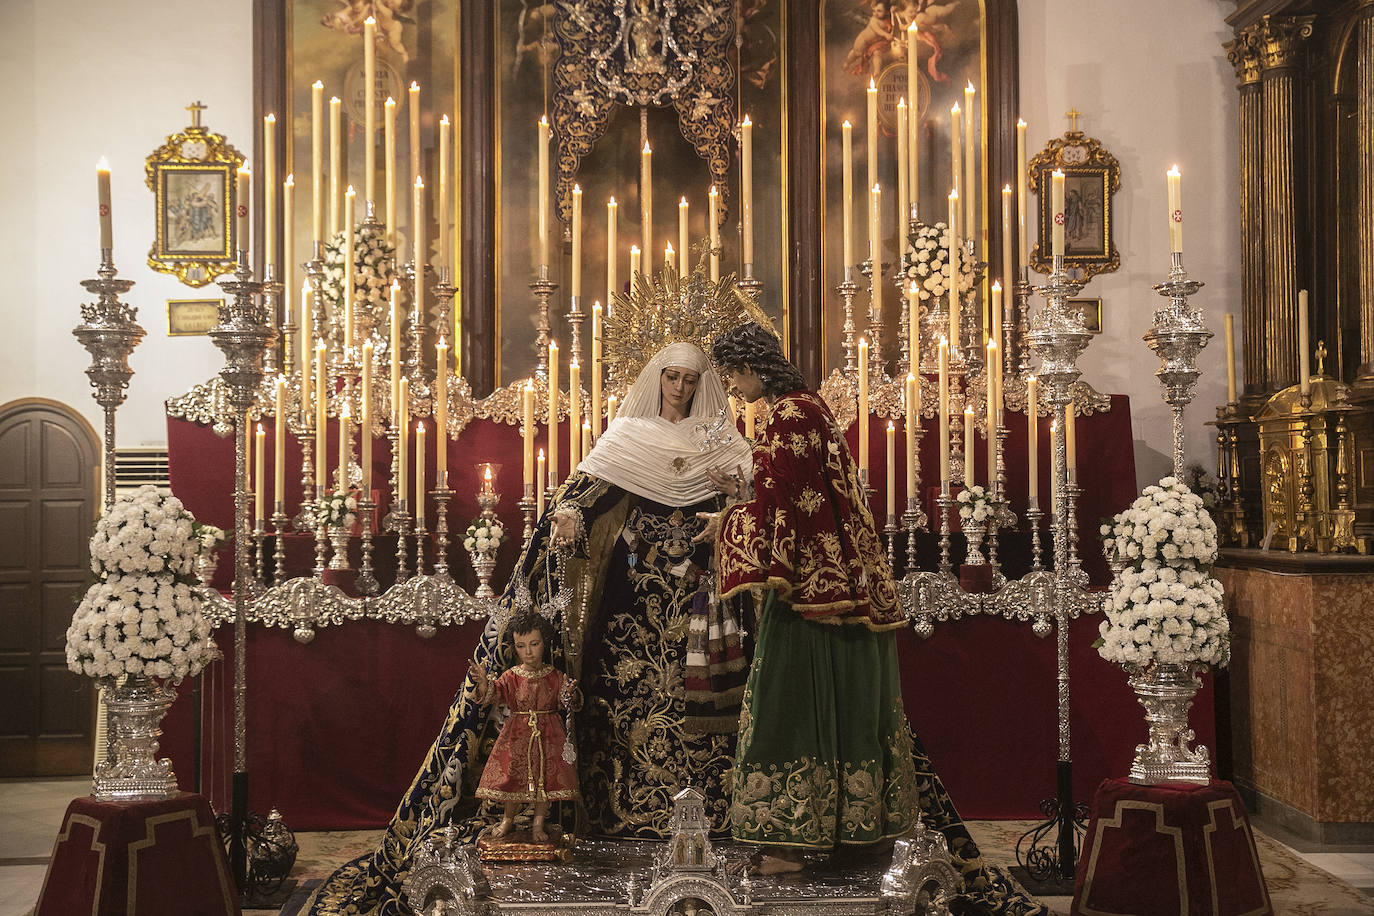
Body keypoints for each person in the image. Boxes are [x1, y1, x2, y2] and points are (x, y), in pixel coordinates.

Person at [305, 340, 754, 915]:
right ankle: (616, 814)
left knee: (700, 706)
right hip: (629, 611)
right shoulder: (628, 437)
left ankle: (705, 819)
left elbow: (749, 503)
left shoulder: (717, 441)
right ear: (655, 379)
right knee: (620, 701)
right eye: (672, 378)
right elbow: (586, 495)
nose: (681, 389)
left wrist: (734, 505)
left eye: (691, 382)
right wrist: (566, 516)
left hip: (699, 604)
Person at [701, 323, 1047, 914]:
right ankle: (846, 829)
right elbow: (796, 494)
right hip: (844, 586)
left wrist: (727, 523)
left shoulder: (788, 415)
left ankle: (790, 840)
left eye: (734, 373)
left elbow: (784, 506)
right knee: (847, 705)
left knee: (792, 703)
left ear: (756, 366)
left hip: (814, 595)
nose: (733, 386)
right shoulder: (806, 409)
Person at [469, 611, 579, 844]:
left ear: (544, 643)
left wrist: (569, 695)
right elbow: (495, 693)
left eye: (534, 644)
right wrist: (484, 684)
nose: (528, 652)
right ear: (515, 648)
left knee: (545, 780)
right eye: (521, 646)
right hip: (517, 734)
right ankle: (508, 819)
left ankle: (538, 822)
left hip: (549, 734)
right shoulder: (511, 676)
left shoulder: (554, 675)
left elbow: (564, 701)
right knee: (513, 777)